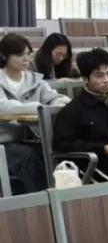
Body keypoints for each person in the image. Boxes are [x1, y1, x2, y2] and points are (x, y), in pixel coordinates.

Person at [53, 49, 108, 180]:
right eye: (99, 76)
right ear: (85, 78)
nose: (106, 80)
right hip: (96, 167)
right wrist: (102, 148)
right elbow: (62, 144)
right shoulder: (74, 110)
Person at [0, 34, 70, 193]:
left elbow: (56, 98)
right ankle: (42, 201)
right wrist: (39, 107)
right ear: (4, 56)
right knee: (28, 157)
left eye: (28, 54)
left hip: (30, 139)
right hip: (4, 142)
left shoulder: (35, 80)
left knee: (55, 152)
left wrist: (57, 105)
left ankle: (62, 198)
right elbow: (3, 107)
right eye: (20, 54)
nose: (26, 59)